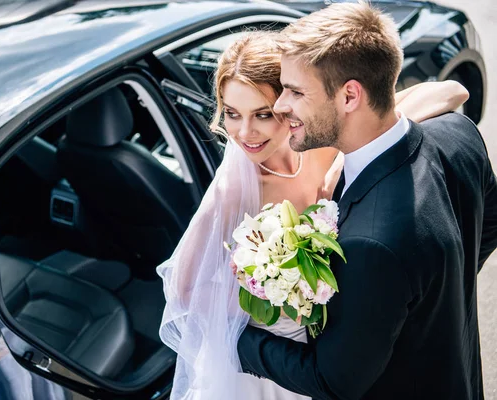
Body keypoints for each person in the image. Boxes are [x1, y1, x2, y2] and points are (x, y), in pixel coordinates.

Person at [157, 27, 470, 400]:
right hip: (277, 364)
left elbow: (452, 91)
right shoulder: (234, 190)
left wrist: (341, 162)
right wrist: (272, 289)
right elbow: (183, 292)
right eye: (232, 113)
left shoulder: (322, 141)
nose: (244, 132)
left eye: (262, 114)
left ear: (291, 105)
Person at [236, 3, 497, 400]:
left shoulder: (372, 245)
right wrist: (432, 296)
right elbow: (490, 222)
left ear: (350, 95)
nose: (281, 105)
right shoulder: (458, 133)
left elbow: (333, 381)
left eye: (295, 91)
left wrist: (238, 343)